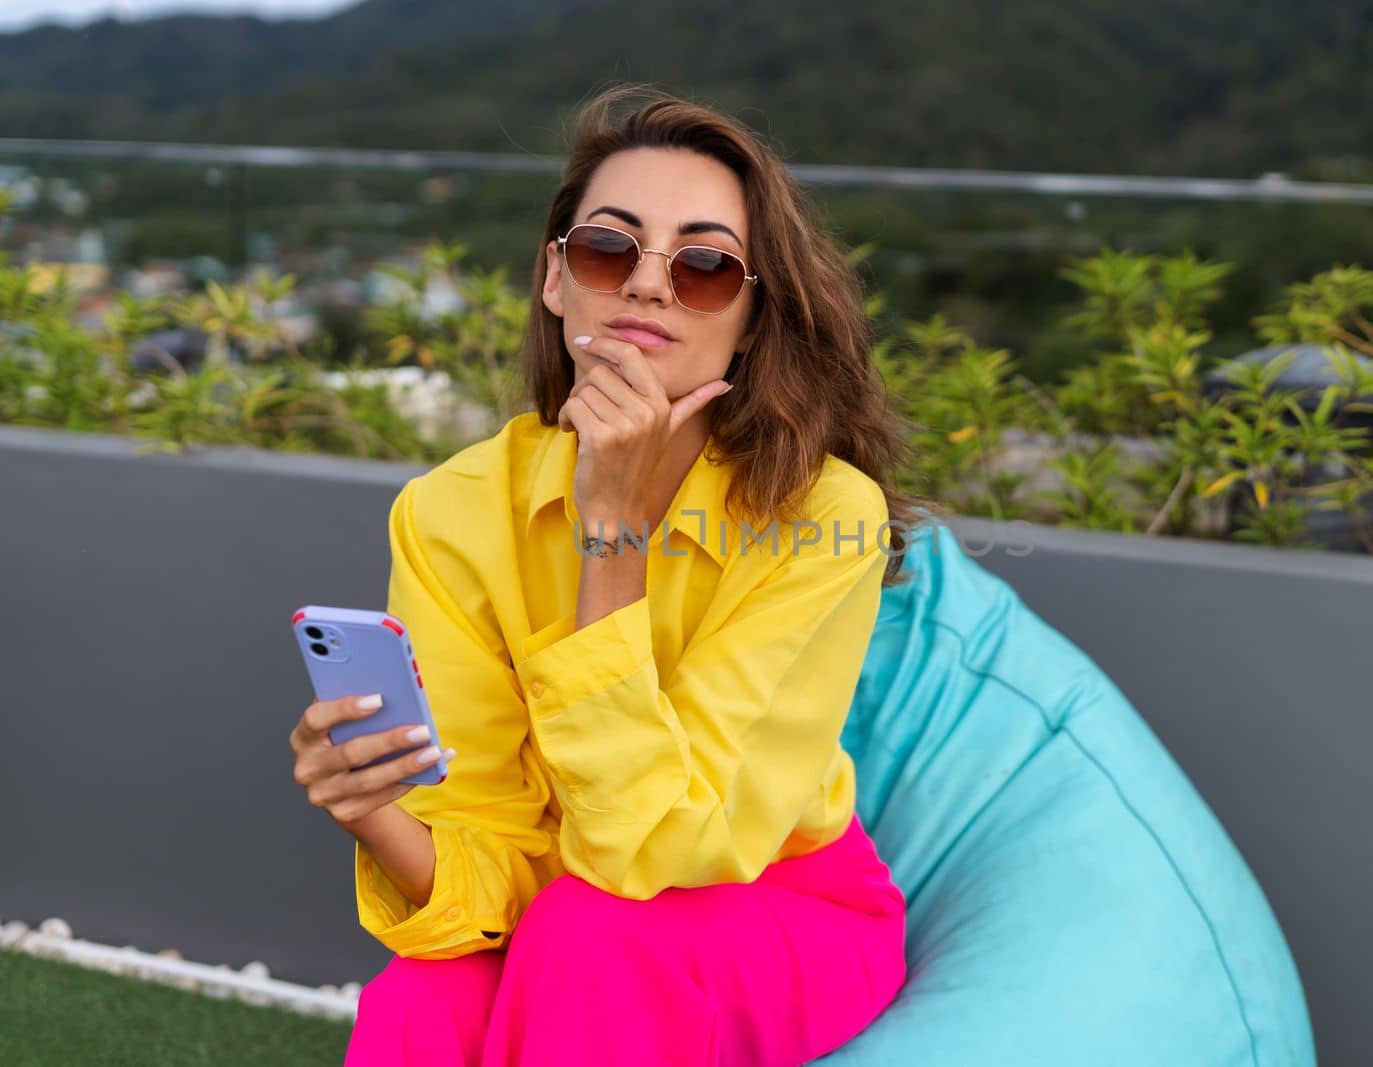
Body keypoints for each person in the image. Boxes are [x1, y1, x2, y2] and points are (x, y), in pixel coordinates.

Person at [287, 83, 933, 1065]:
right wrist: (371, 809)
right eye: (607, 247)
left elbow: (658, 851)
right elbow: (485, 852)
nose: (646, 284)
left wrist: (612, 531)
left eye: (707, 266)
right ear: (556, 280)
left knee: (593, 933)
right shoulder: (452, 509)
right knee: (422, 995)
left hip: (781, 907)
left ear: (753, 316)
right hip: (563, 904)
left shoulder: (821, 511)